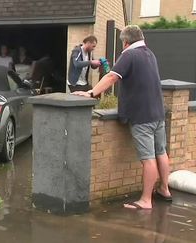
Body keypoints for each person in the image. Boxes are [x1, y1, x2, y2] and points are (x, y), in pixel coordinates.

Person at [73, 25, 172, 210]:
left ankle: (146, 200)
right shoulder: (150, 54)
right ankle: (164, 189)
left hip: (142, 116)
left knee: (148, 158)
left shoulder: (129, 55)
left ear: (126, 42)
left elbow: (112, 77)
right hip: (158, 113)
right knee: (161, 153)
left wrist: (92, 92)